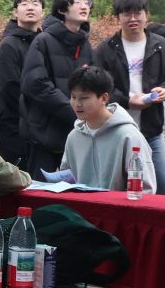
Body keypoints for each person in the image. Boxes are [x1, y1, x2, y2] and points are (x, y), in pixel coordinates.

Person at [91, 0, 165, 196]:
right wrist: (127, 101)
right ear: (118, 17)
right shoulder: (106, 49)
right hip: (115, 131)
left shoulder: (161, 46)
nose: (133, 19)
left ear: (146, 15)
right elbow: (99, 87)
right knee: (115, 188)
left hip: (151, 130)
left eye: (138, 13)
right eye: (127, 14)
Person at [20, 0, 93, 177]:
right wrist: (72, 110)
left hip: (77, 132)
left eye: (86, 2)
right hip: (45, 132)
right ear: (62, 9)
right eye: (77, 2)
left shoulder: (85, 44)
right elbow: (35, 84)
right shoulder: (43, 40)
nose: (84, 6)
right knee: (41, 189)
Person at [59, 65, 156, 193]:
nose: (77, 104)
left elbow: (144, 188)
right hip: (80, 205)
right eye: (73, 97)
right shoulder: (74, 136)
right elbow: (66, 179)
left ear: (104, 98)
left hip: (115, 205)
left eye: (84, 98)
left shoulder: (129, 136)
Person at [0, 0, 43, 166]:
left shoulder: (44, 43)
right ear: (15, 12)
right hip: (13, 124)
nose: (30, 7)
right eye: (24, 4)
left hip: (38, 124)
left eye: (35, 4)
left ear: (43, 12)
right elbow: (10, 87)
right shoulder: (9, 44)